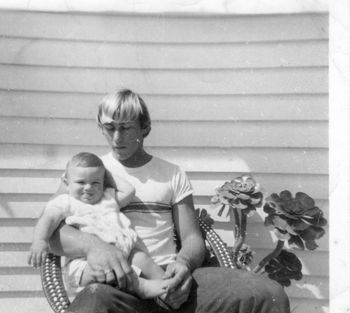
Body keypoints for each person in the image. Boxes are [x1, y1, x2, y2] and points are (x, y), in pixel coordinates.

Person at [50, 89, 291, 313]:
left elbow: (192, 237)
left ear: (145, 127)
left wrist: (183, 265)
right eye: (109, 127)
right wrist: (94, 247)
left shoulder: (172, 174)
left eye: (125, 128)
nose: (116, 137)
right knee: (94, 300)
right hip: (119, 286)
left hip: (169, 279)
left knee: (269, 294)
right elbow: (51, 233)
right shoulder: (88, 173)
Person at [28, 152, 172, 301]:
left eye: (95, 182)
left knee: (143, 259)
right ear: (66, 183)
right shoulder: (66, 201)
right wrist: (40, 240)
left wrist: (104, 172)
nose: (88, 187)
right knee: (104, 272)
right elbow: (48, 218)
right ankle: (141, 287)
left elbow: (129, 190)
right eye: (81, 182)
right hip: (87, 261)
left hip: (124, 252)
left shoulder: (107, 197)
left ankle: (169, 287)